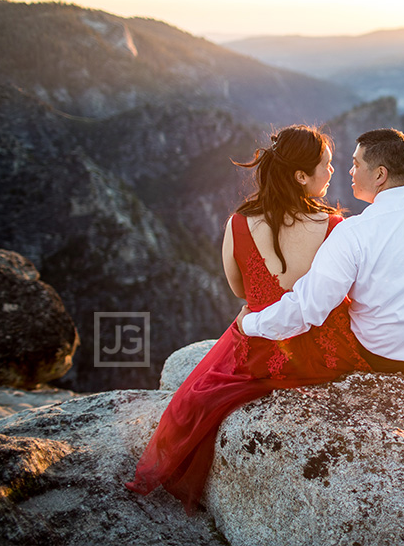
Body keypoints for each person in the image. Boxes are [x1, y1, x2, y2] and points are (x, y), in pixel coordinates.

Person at [126, 125, 370, 514]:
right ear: (301, 176)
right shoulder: (336, 228)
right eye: (326, 164)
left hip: (262, 347)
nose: (333, 172)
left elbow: (240, 290)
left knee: (193, 398)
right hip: (330, 353)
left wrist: (269, 297)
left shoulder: (239, 224)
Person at [238, 127, 404, 378]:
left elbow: (307, 308)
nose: (350, 172)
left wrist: (250, 324)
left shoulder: (352, 233)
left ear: (380, 175)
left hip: (386, 358)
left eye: (356, 164)